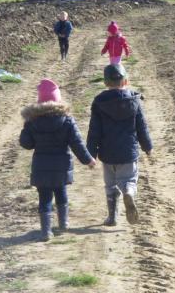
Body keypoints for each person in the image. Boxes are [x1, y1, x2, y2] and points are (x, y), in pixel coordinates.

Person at [20, 79, 95, 241]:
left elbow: (26, 144)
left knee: (44, 198)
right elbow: (77, 143)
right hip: (61, 166)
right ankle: (63, 223)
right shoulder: (67, 120)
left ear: (40, 100)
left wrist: (27, 128)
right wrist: (88, 160)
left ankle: (46, 231)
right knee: (61, 193)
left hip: (41, 167)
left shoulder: (32, 121)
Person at [86, 64, 153, 227]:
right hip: (128, 153)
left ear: (105, 83)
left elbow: (94, 130)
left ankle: (112, 217)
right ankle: (129, 192)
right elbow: (141, 127)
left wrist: (90, 154)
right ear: (126, 81)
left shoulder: (99, 102)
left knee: (110, 185)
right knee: (129, 179)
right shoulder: (134, 101)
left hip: (107, 153)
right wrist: (147, 146)